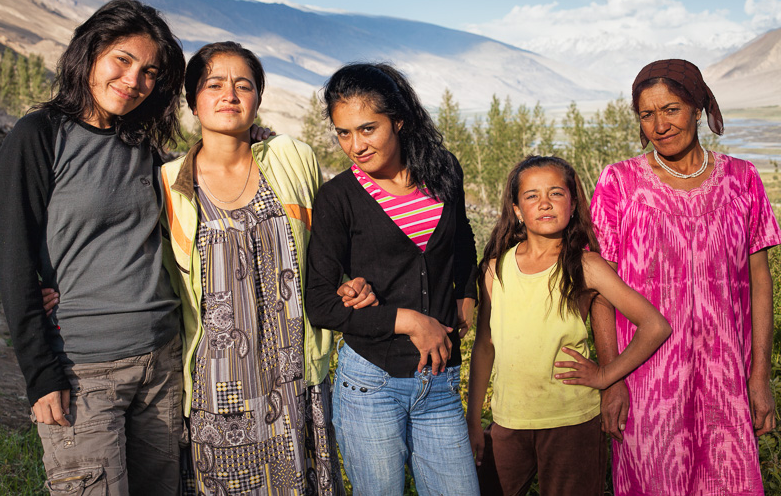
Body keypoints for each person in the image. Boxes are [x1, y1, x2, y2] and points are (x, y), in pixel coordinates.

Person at [161, 42, 375, 496]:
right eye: (214, 84)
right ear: (192, 99)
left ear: (258, 98)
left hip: (294, 371)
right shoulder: (170, 182)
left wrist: (354, 278)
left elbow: (340, 228)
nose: (229, 94)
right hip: (217, 385)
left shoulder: (290, 157)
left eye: (244, 85)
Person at [0, 0, 186, 495]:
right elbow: (14, 263)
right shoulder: (39, 135)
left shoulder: (142, 142)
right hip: (83, 371)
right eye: (122, 59)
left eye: (149, 71)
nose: (133, 80)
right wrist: (40, 374)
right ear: (90, 52)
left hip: (162, 362)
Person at [590, 59, 781, 494]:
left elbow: (760, 283)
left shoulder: (743, 179)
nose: (659, 124)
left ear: (697, 107)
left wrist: (759, 377)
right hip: (646, 381)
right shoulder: (619, 183)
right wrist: (612, 379)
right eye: (647, 114)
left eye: (671, 109)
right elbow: (600, 292)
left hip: (726, 380)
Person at [305, 63, 480, 495]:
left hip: (439, 383)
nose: (355, 145)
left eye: (367, 129)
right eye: (343, 133)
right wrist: (407, 320)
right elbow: (320, 302)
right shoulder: (339, 197)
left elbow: (461, 239)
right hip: (370, 384)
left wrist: (467, 291)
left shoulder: (444, 172)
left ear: (398, 120)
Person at [465, 155, 671, 495]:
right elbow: (485, 344)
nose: (544, 203)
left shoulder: (586, 265)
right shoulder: (493, 269)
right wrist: (474, 420)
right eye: (531, 196)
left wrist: (606, 375)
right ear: (516, 209)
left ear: (573, 204)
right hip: (507, 423)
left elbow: (655, 325)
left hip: (572, 423)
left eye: (556, 193)